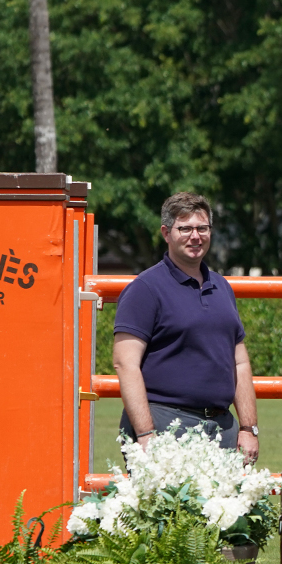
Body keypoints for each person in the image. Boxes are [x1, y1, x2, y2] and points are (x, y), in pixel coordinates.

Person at [112, 192, 259, 463]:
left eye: (202, 228)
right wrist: (145, 435)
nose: (195, 236)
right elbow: (125, 364)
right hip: (166, 425)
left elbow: (239, 363)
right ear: (166, 233)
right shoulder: (145, 289)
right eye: (185, 228)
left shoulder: (222, 287)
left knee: (224, 506)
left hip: (222, 428)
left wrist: (249, 428)